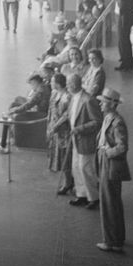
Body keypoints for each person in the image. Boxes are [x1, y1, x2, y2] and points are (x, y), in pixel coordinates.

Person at [54, 73, 101, 211]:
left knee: (86, 169)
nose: (67, 86)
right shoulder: (73, 98)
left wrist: (80, 129)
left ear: (75, 84)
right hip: (75, 140)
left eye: (68, 84)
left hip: (85, 140)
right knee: (76, 168)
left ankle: (93, 198)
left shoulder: (88, 100)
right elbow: (69, 115)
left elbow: (97, 122)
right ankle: (81, 195)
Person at [96, 86, 131, 253]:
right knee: (113, 202)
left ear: (111, 104)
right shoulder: (108, 117)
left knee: (109, 203)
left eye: (103, 102)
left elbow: (122, 146)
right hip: (107, 163)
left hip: (111, 165)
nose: (100, 105)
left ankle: (110, 241)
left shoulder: (117, 122)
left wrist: (106, 152)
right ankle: (117, 239)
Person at [0, 72, 50, 153]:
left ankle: (12, 138)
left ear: (35, 82)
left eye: (31, 84)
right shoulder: (43, 87)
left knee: (14, 112)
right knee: (16, 101)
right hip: (37, 108)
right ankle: (10, 137)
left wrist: (15, 110)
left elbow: (29, 105)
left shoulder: (40, 91)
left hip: (39, 113)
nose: (31, 86)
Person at [46, 73, 70, 173]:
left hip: (62, 129)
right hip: (52, 126)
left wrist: (56, 126)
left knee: (63, 153)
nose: (50, 83)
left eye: (52, 81)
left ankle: (67, 180)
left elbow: (66, 115)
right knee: (53, 149)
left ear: (58, 84)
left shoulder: (67, 97)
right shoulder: (54, 93)